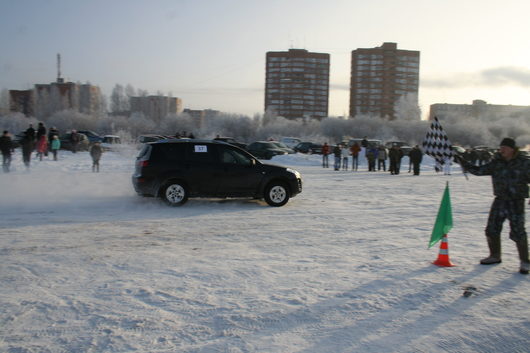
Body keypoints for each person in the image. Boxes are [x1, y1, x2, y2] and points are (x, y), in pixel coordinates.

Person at [457, 137, 530, 274]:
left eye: (505, 148)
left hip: (516, 201)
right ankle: (495, 256)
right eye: (501, 147)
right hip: (500, 200)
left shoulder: (524, 163)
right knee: (491, 229)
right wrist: (464, 163)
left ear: (512, 149)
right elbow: (480, 171)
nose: (501, 150)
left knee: (518, 232)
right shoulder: (497, 163)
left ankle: (525, 261)